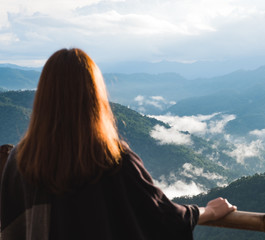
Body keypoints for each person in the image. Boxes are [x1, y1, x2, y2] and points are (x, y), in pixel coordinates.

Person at [0, 48, 236, 240]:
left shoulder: (20, 160)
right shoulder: (112, 158)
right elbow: (162, 217)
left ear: (43, 97)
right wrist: (208, 212)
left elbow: (11, 227)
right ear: (94, 96)